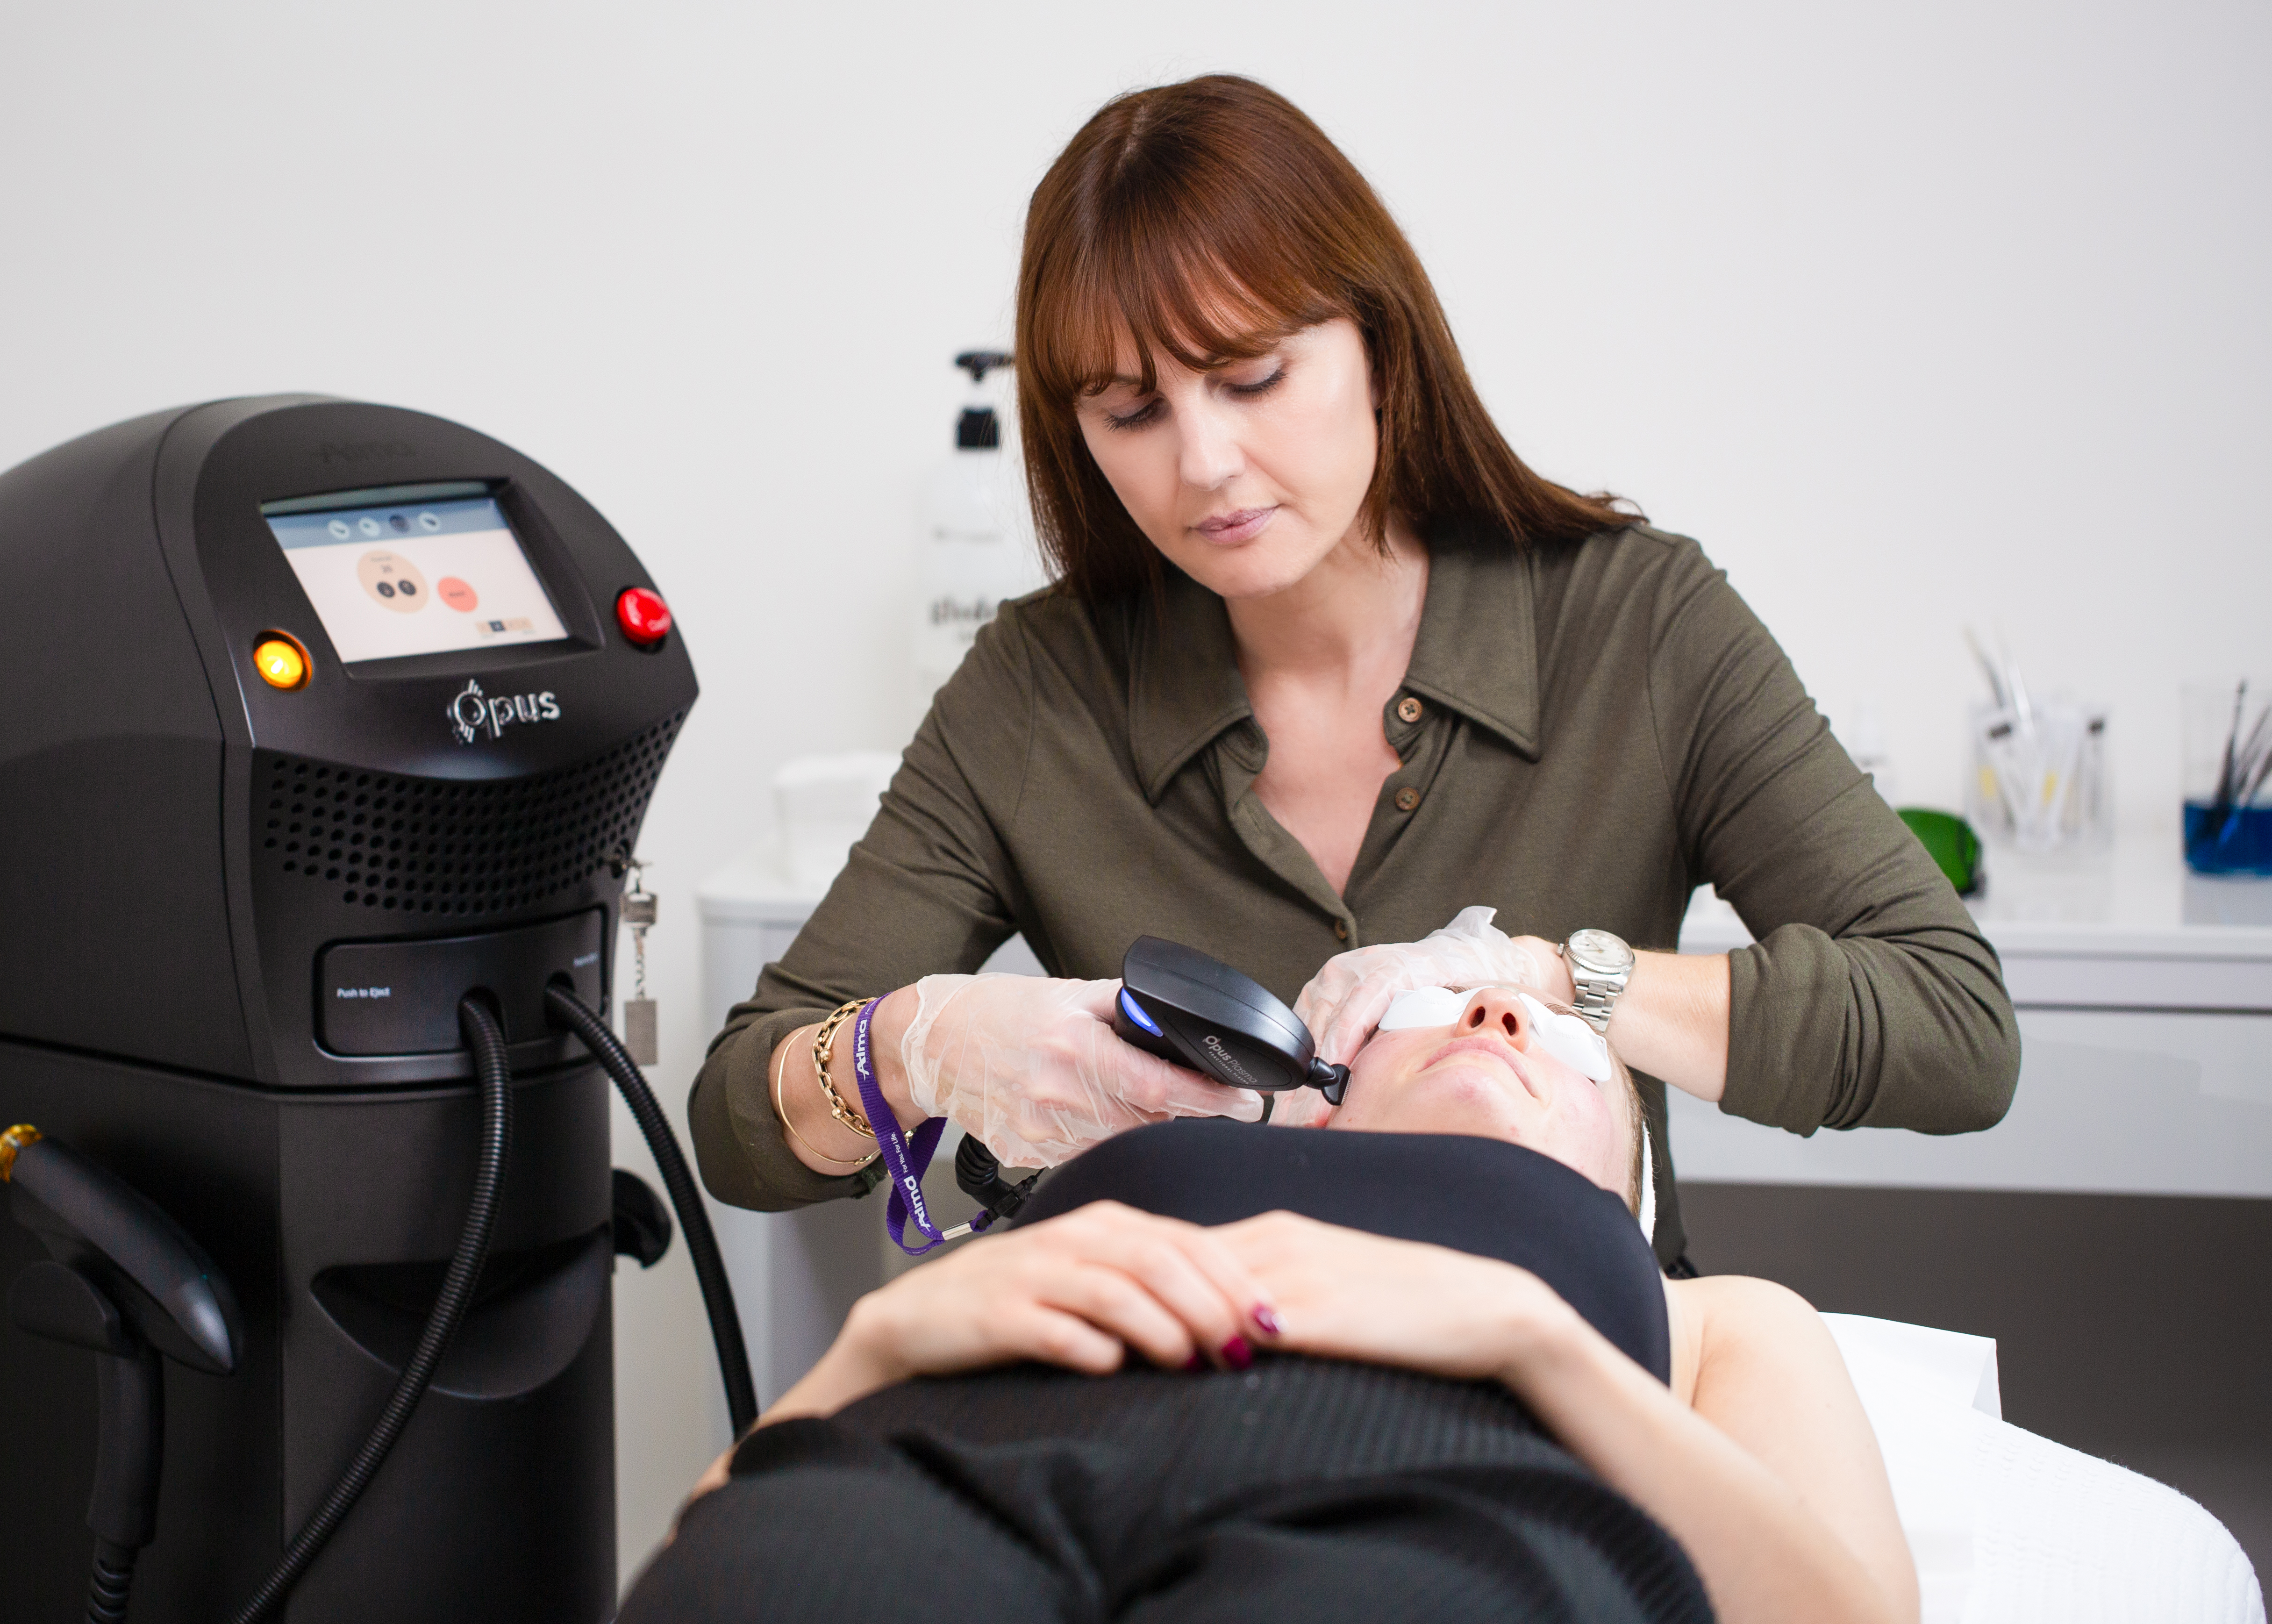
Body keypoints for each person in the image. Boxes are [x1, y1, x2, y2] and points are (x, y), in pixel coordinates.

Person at [691, 72, 2018, 1269]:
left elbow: (1952, 1027)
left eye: (1251, 375)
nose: (1201, 464)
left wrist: (1559, 981)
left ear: (1378, 344)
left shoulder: (1637, 622)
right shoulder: (1039, 691)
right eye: (1131, 410)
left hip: (1567, 1384)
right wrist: (903, 1050)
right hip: (1197, 1410)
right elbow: (734, 1125)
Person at [633, 980, 1920, 1624]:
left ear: (1629, 1193)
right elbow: (705, 1527)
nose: (1488, 1009)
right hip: (949, 1467)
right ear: (1324, 1095)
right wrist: (876, 1338)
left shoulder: (1694, 1312)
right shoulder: (1141, 1172)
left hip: (1422, 1505)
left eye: (1565, 1040)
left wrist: (1531, 1341)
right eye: (1425, 1006)